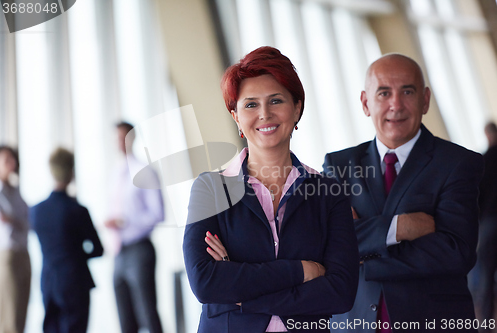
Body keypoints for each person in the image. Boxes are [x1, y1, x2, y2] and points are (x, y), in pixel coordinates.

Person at [183, 46, 359, 333]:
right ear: (236, 116)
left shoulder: (329, 193)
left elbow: (340, 292)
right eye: (251, 104)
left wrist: (241, 287)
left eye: (276, 100)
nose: (264, 114)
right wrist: (303, 271)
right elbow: (205, 282)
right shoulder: (210, 189)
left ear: (297, 109)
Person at [323, 54, 484, 332]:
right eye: (384, 93)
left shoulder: (458, 163)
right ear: (365, 102)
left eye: (407, 92)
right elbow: (327, 243)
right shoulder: (338, 165)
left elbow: (456, 252)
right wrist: (399, 227)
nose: (395, 105)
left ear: (425, 100)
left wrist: (364, 257)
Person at [30, 148, 103, 333]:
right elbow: (98, 249)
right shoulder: (77, 210)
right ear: (71, 172)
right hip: (74, 281)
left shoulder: (36, 211)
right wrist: (75, 254)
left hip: (48, 280)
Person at [105, 121, 164, 333]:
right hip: (119, 251)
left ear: (133, 139)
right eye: (116, 138)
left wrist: (127, 223)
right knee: (124, 318)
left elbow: (157, 214)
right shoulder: (115, 174)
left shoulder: (145, 172)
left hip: (139, 249)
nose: (119, 143)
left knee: (147, 313)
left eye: (123, 137)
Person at [0, 145, 30, 333]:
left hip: (23, 253)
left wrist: (14, 221)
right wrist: (16, 222)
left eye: (12, 159)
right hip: (6, 256)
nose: (11, 163)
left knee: (21, 314)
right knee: (9, 319)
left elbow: (26, 223)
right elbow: (5, 227)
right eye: (5, 159)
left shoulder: (16, 190)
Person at [475, 122, 497, 327]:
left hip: (490, 222)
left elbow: (476, 196)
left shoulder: (483, 161)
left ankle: (486, 320)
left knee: (486, 274)